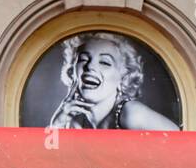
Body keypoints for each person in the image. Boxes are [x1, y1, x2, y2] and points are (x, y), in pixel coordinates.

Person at [47, 32, 179, 130]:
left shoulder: (132, 114)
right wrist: (56, 124)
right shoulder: (75, 122)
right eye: (83, 59)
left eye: (105, 62)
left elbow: (183, 145)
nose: (90, 66)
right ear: (72, 70)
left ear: (124, 77)